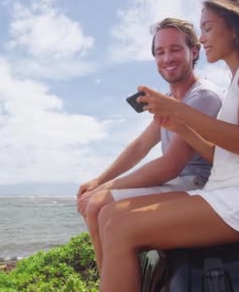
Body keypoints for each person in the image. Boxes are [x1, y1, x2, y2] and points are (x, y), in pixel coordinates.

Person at [96, 0, 239, 292]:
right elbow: (224, 156)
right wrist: (182, 125)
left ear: (237, 27)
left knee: (120, 229)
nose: (202, 38)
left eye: (208, 28)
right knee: (111, 219)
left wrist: (178, 110)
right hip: (232, 190)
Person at [76, 17, 222, 273]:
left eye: (176, 49)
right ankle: (109, 281)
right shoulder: (170, 99)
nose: (167, 58)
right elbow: (141, 145)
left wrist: (102, 190)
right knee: (94, 203)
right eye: (160, 52)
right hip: (179, 183)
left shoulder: (203, 96)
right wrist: (99, 180)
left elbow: (171, 165)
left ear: (194, 51)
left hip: (198, 184)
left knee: (97, 205)